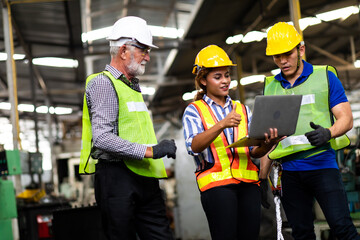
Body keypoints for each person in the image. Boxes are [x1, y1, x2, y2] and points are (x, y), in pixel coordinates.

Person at [79, 16, 177, 240]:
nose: (148, 57)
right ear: (124, 50)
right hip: (116, 179)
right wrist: (151, 150)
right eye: (143, 50)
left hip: (144, 176)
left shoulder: (133, 87)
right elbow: (102, 138)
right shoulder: (103, 83)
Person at [263, 22, 359, 240]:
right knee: (302, 233)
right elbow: (267, 140)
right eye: (277, 57)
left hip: (322, 165)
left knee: (342, 228)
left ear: (301, 49)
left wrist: (329, 132)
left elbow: (346, 119)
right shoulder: (270, 86)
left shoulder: (324, 76)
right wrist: (262, 178)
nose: (282, 61)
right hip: (289, 172)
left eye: (287, 54)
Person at [182, 44, 283, 240]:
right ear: (203, 80)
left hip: (248, 185)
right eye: (217, 77)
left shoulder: (243, 110)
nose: (225, 81)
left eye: (227, 75)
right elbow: (194, 146)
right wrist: (221, 124)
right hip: (217, 186)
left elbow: (254, 151)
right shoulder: (194, 110)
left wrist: (269, 143)